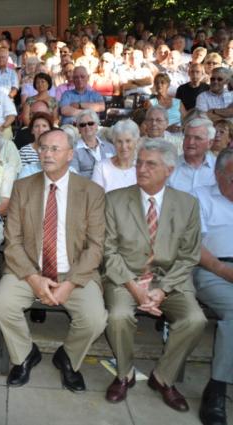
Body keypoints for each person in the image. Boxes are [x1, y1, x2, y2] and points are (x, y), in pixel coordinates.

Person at [0, 129, 107, 392]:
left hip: (74, 271)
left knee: (95, 319)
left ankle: (68, 359)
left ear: (70, 154)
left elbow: (95, 247)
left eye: (55, 149)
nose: (47, 154)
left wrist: (70, 284)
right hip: (28, 269)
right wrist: (34, 279)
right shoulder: (23, 188)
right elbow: (13, 241)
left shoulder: (91, 192)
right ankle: (24, 355)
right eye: (43, 148)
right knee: (1, 306)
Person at [103, 139, 206, 411]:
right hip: (125, 277)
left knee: (195, 320)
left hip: (170, 279)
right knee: (118, 316)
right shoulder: (114, 200)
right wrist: (135, 289)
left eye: (151, 164)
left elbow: (189, 256)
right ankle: (124, 374)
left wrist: (162, 290)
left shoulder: (187, 204)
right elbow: (108, 252)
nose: (142, 169)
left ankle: (163, 377)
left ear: (169, 170)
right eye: (139, 163)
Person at [192, 149, 233, 425]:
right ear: (218, 175)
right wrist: (221, 269)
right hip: (212, 271)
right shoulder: (201, 197)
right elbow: (193, 245)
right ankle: (216, 389)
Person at [168, 118, 217, 194]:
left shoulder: (219, 167)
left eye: (197, 138)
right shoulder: (169, 166)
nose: (190, 142)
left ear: (210, 143)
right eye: (187, 137)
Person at [91, 119, 138, 192]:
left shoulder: (142, 167)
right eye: (119, 141)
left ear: (136, 141)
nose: (123, 146)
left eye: (128, 141)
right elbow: (95, 196)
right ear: (114, 143)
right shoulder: (101, 167)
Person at [70, 110, 116, 178]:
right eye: (82, 125)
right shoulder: (73, 151)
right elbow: (74, 177)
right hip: (87, 184)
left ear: (97, 125)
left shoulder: (110, 147)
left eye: (90, 123)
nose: (87, 127)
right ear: (79, 129)